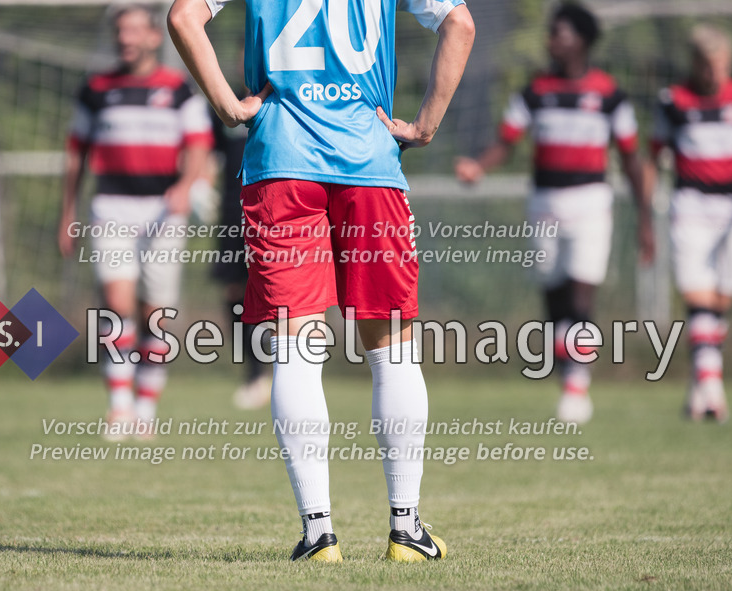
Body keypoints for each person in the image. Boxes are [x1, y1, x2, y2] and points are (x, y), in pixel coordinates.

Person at [167, 0, 474, 562]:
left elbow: (184, 16)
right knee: (393, 352)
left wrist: (230, 107)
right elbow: (461, 22)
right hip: (369, 166)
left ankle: (318, 535)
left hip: (281, 164)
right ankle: (405, 531)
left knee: (295, 353)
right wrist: (426, 124)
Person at [454, 2, 652, 424]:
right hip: (544, 204)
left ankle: (576, 387)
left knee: (581, 294)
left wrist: (646, 219)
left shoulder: (609, 94)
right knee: (554, 297)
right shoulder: (534, 92)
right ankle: (570, 373)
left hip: (591, 203)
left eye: (559, 33)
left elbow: (632, 159)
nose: (551, 40)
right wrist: (478, 166)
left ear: (581, 39)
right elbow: (505, 142)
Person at [58, 3, 213, 435]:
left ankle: (145, 411)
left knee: (156, 314)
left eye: (133, 31)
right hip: (111, 205)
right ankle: (120, 406)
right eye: (119, 31)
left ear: (152, 37)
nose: (125, 39)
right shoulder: (95, 89)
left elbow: (199, 144)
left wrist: (185, 186)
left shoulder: (179, 89)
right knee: (117, 303)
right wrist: (66, 213)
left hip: (163, 210)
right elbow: (76, 156)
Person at [648, 24, 732, 422]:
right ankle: (714, 389)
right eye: (708, 66)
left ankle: (701, 383)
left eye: (722, 65)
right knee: (696, 293)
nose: (715, 73)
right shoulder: (673, 100)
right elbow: (652, 157)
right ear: (696, 64)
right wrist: (647, 209)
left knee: (721, 297)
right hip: (689, 204)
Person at [209, 103, 273, 410]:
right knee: (235, 293)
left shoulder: (286, 96)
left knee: (276, 293)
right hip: (233, 213)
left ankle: (286, 367)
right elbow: (207, 150)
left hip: (277, 211)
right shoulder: (225, 102)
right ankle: (254, 375)